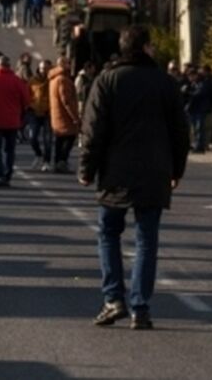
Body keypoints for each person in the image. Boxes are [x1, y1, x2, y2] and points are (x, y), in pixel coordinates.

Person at [79, 25, 190, 330]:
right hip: (155, 172)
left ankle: (113, 299)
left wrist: (86, 169)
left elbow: (93, 130)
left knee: (108, 233)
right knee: (147, 239)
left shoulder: (107, 80)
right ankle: (140, 306)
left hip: (115, 173)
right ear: (147, 48)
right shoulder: (165, 83)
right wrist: (176, 170)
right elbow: (181, 131)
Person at [0, 55, 31, 186]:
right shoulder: (17, 81)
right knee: (10, 150)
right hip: (12, 121)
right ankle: (8, 174)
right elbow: (27, 101)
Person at [48, 55, 80, 173]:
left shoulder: (53, 78)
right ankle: (62, 161)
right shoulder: (63, 80)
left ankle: (57, 162)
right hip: (64, 115)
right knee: (69, 138)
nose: (70, 66)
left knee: (59, 140)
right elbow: (66, 100)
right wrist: (75, 116)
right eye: (68, 63)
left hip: (56, 114)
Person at [27, 59, 52, 172]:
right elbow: (27, 94)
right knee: (32, 137)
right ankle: (38, 154)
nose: (44, 71)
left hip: (48, 113)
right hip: (34, 112)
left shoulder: (52, 80)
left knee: (48, 139)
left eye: (46, 68)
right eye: (42, 68)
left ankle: (46, 161)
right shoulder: (32, 81)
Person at [184, 67, 212, 154]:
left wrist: (188, 92)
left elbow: (199, 94)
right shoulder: (194, 83)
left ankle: (200, 146)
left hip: (200, 108)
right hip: (194, 109)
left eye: (191, 76)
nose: (190, 78)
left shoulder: (203, 83)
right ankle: (197, 144)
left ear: (195, 75)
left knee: (199, 128)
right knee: (195, 128)